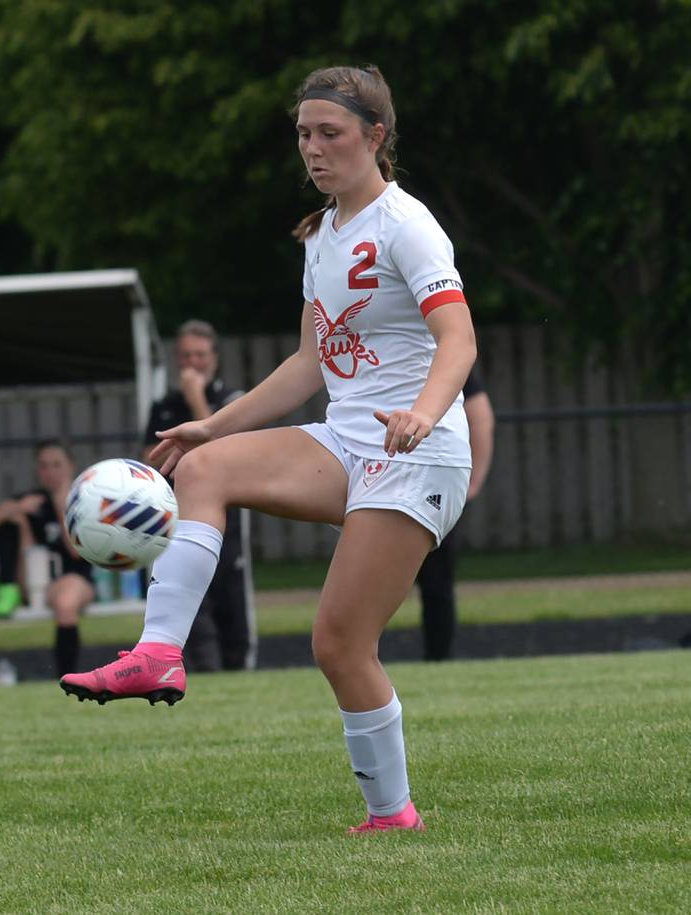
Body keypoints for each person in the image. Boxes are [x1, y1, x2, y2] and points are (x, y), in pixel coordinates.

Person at [61, 64, 476, 835]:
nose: (313, 150)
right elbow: (309, 362)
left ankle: (393, 815)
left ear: (375, 137)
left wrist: (423, 410)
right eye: (304, 135)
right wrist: (212, 426)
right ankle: (158, 653)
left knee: (338, 641)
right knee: (205, 468)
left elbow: (459, 336)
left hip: (418, 451)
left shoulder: (407, 226)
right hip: (349, 439)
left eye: (331, 134)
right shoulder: (323, 234)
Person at [141, 319, 256, 671]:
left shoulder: (232, 400)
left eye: (201, 355)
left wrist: (197, 402)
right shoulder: (163, 407)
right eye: (186, 355)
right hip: (176, 522)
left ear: (215, 358)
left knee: (232, 609)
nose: (194, 363)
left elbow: (224, 452)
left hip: (229, 524)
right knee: (191, 606)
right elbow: (151, 459)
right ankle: (200, 673)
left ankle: (241, 678)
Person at [0, 440, 94, 677]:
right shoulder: (31, 500)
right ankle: (7, 590)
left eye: (56, 465)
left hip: (75, 578)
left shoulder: (85, 501)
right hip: (31, 580)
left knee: (66, 602)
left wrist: (63, 502)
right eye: (43, 466)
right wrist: (17, 512)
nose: (50, 472)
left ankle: (66, 677)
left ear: (70, 466)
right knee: (11, 523)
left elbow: (76, 551)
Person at [417, 366, 494, 660]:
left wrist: (472, 482)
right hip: (412, 477)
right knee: (435, 584)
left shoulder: (441, 356)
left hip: (428, 480)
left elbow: (481, 416)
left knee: (435, 582)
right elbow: (482, 417)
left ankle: (438, 657)